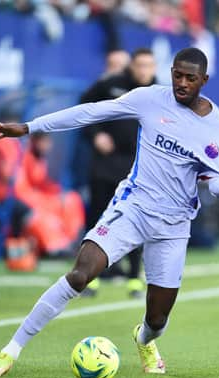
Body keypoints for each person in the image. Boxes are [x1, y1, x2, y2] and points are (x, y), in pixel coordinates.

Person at [0, 47, 219, 378]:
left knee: (157, 320)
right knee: (80, 274)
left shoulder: (214, 123)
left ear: (204, 80)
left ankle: (144, 339)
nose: (182, 83)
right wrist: (29, 127)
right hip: (132, 208)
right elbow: (91, 112)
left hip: (173, 226)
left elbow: (214, 181)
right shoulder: (149, 99)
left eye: (190, 78)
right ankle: (9, 351)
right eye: (177, 75)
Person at [79, 47, 157, 298]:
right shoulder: (110, 85)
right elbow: (83, 109)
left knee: (136, 220)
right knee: (98, 218)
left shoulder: (160, 93)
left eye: (149, 66)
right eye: (140, 65)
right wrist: (96, 135)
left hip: (137, 168)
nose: (144, 70)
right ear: (131, 67)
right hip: (105, 163)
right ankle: (90, 277)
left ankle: (134, 277)